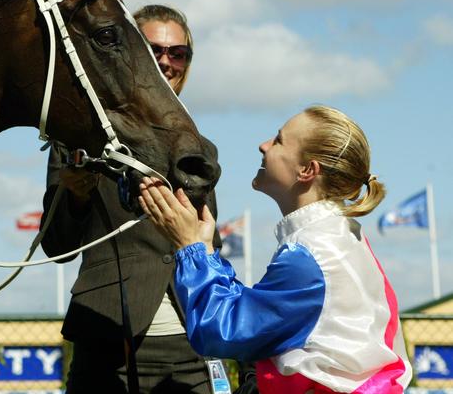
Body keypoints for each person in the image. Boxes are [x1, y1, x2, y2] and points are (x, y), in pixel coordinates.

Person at [139, 105, 413, 393]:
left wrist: (189, 247)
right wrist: (206, 251)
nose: (263, 145)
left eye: (279, 140)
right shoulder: (342, 236)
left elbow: (222, 329)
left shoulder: (311, 254)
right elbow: (254, 314)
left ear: (307, 170)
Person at [40, 5, 231, 393]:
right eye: (153, 49)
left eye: (178, 53)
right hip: (107, 339)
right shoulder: (78, 139)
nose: (166, 60)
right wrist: (75, 196)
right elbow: (56, 247)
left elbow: (211, 243)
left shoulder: (200, 146)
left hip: (192, 342)